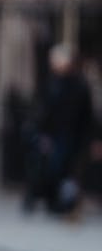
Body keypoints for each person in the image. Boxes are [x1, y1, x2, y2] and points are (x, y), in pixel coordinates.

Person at [22, 43, 94, 216]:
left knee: (62, 171)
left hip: (68, 136)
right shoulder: (51, 84)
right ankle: (43, 199)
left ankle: (59, 202)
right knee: (43, 168)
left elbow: (85, 116)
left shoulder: (78, 86)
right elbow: (42, 111)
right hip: (50, 136)